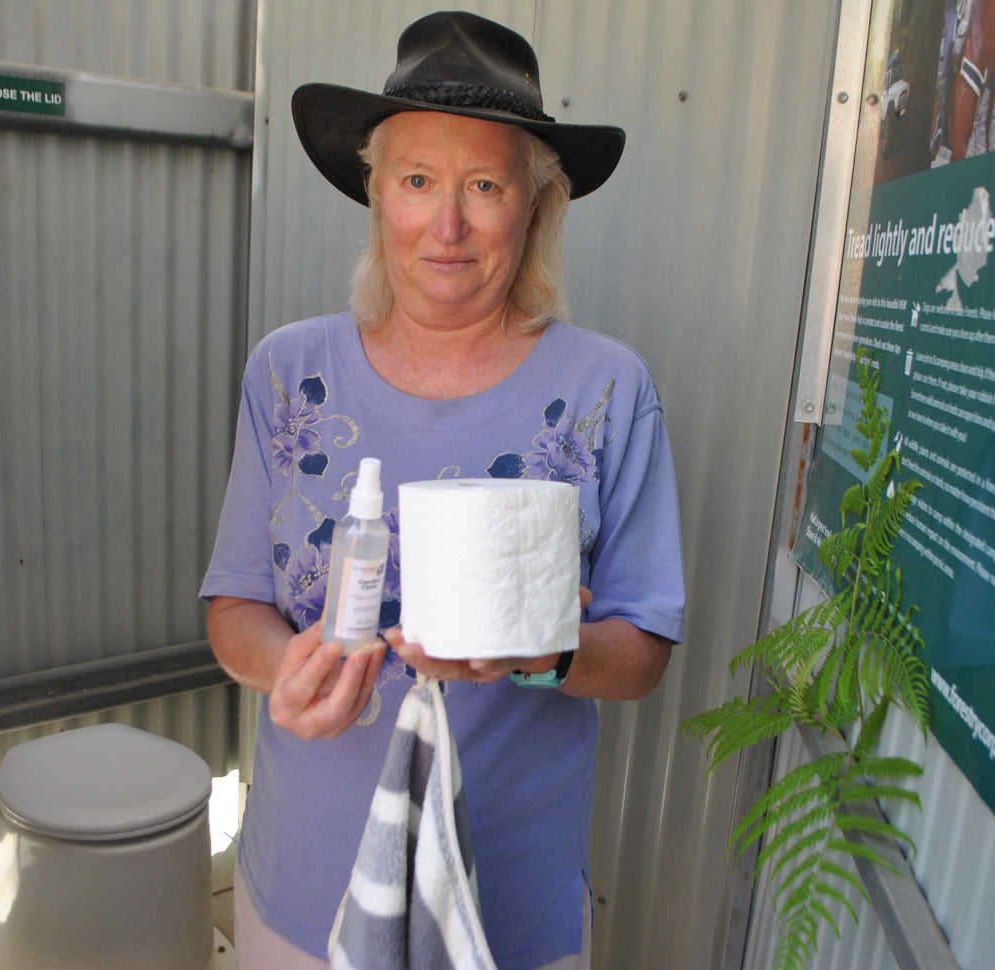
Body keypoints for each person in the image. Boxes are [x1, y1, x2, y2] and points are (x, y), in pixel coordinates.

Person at [200, 11, 686, 970]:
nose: (447, 224)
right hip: (305, 882)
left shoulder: (605, 391)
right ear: (376, 194)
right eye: (417, 181)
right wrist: (286, 672)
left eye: (484, 186)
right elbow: (234, 605)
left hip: (508, 901)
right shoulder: (289, 372)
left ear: (535, 204)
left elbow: (640, 652)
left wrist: (541, 656)